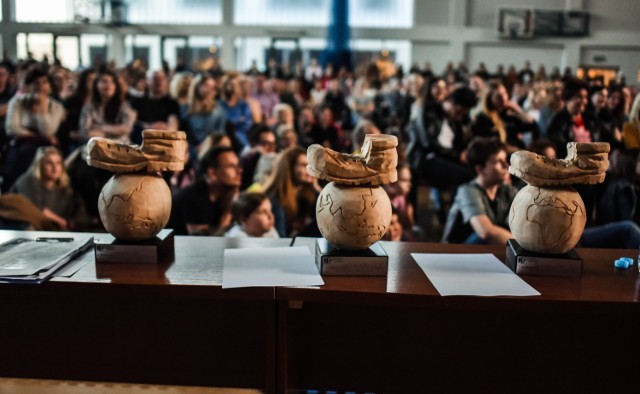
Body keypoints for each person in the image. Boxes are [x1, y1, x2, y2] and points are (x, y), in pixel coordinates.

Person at [442, 137, 517, 244]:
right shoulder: (467, 191)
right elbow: (485, 232)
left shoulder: (508, 190)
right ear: (480, 169)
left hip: (486, 254)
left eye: (505, 160)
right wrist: (520, 246)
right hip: (455, 253)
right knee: (484, 234)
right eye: (498, 162)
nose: (506, 165)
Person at [3, 67, 66, 191]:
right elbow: (12, 128)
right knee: (24, 153)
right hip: (22, 143)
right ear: (28, 86)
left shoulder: (56, 106)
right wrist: (35, 136)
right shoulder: (17, 103)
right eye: (36, 83)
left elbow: (48, 131)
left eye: (44, 82)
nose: (40, 86)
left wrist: (41, 108)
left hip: (47, 146)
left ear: (50, 86)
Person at [169, 146, 242, 235]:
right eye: (231, 166)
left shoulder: (225, 194)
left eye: (238, 165)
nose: (239, 171)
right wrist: (228, 212)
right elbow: (203, 243)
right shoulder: (194, 198)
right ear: (213, 173)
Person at [10, 146, 81, 231]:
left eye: (58, 163)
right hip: (19, 226)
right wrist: (61, 221)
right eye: (49, 163)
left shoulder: (65, 188)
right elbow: (36, 208)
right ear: (40, 164)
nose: (55, 168)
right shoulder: (27, 180)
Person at [262, 146, 320, 238]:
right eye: (303, 165)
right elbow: (281, 237)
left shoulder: (306, 193)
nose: (310, 170)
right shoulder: (275, 198)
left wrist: (316, 189)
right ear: (289, 168)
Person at [472, 81, 538, 150]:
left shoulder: (508, 115)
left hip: (518, 151)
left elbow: (532, 125)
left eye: (504, 93)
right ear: (489, 99)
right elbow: (492, 143)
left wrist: (518, 110)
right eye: (498, 96)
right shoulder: (483, 118)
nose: (504, 99)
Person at [79, 69, 136, 143]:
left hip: (121, 147)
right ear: (96, 85)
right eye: (104, 81)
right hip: (96, 147)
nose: (109, 85)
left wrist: (100, 128)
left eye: (112, 82)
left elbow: (127, 129)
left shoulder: (123, 105)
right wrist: (114, 132)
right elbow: (85, 132)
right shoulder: (89, 106)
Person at [546, 78, 598, 158]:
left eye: (585, 97)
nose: (584, 101)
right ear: (567, 99)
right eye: (579, 97)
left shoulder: (590, 119)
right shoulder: (558, 120)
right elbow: (560, 147)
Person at [181, 72, 225, 164]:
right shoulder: (186, 109)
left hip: (211, 148)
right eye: (206, 86)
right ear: (197, 87)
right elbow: (183, 132)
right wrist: (192, 148)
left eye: (212, 87)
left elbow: (219, 133)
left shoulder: (218, 110)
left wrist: (206, 145)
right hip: (190, 149)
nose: (210, 90)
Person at [130, 70, 180, 144]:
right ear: (148, 81)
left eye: (162, 78)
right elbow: (131, 122)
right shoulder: (137, 102)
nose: (159, 81)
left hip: (164, 139)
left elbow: (173, 125)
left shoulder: (172, 103)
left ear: (166, 81)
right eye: (155, 78)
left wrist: (162, 128)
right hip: (141, 139)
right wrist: (148, 126)